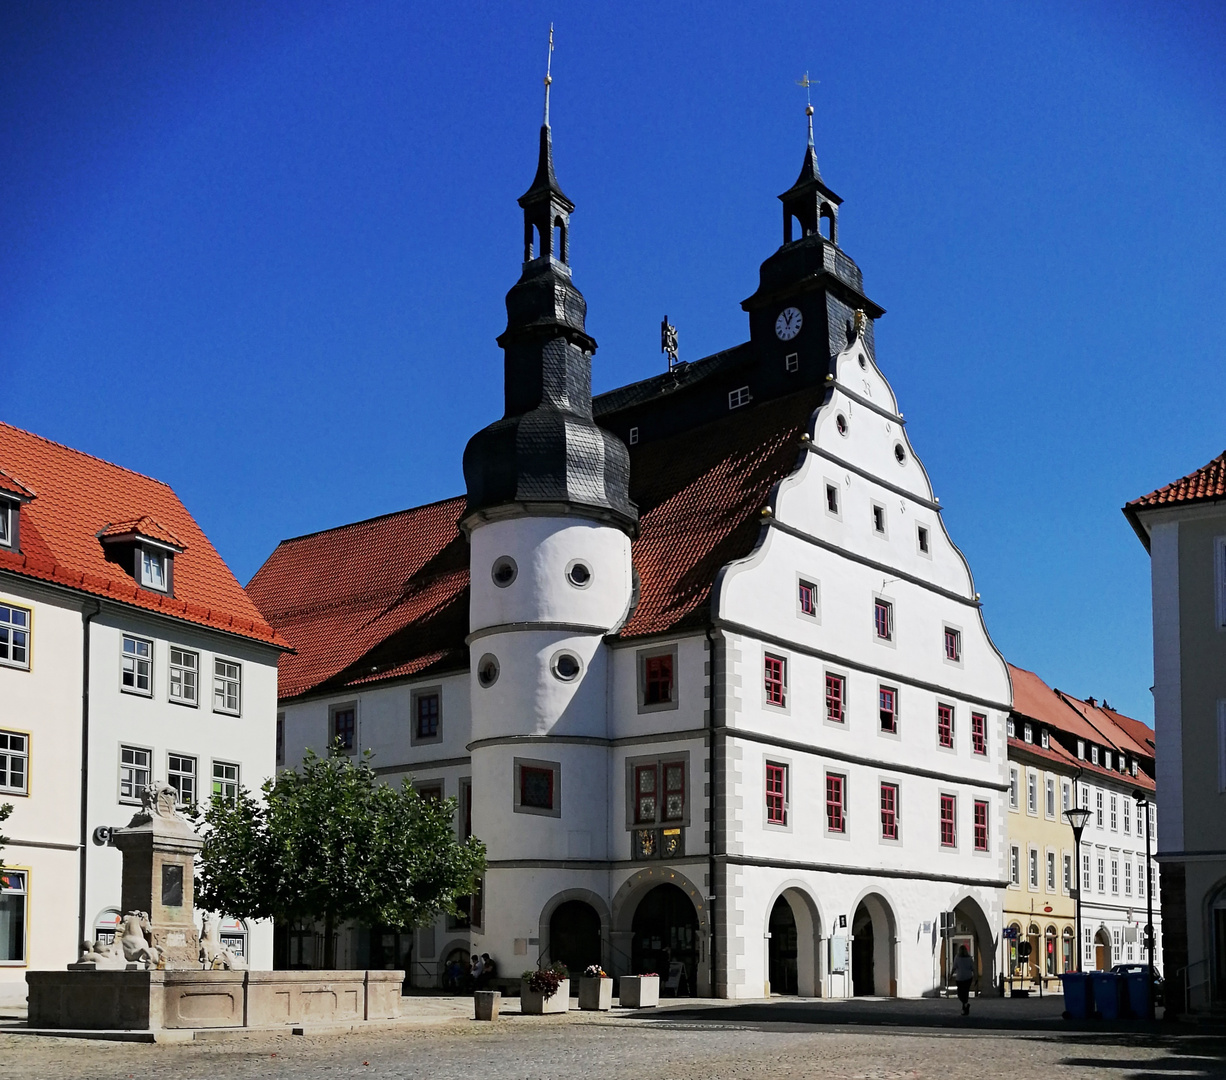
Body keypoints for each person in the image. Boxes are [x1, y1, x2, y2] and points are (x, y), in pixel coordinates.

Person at [952, 945, 976, 1015]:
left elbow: (954, 967)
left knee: (960, 993)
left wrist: (950, 975)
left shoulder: (957, 957)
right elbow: (973, 968)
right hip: (968, 977)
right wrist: (976, 977)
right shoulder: (969, 958)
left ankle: (965, 1006)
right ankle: (965, 1006)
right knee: (965, 992)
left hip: (960, 978)